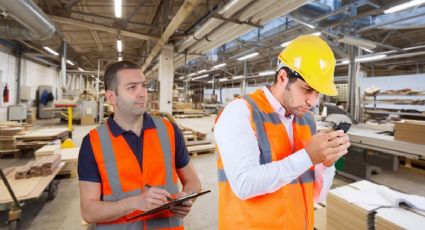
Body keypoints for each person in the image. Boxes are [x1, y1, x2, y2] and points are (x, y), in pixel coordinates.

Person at [214, 35, 350, 229]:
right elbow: (244, 184)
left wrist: (326, 164)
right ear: (283, 77)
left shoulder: (307, 120)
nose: (313, 102)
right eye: (307, 90)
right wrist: (309, 156)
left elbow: (317, 196)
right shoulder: (241, 112)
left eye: (318, 93)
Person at [78, 61, 201, 229]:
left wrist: (187, 198)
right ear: (111, 97)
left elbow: (193, 182)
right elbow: (88, 211)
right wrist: (134, 203)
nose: (142, 93)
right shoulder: (93, 143)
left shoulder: (169, 131)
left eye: (143, 86)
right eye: (132, 87)